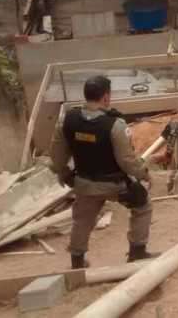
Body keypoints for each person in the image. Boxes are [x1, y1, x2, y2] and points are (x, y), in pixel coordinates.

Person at [50, 75, 155, 269]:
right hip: (114, 185)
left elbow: (57, 153)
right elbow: (127, 161)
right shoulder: (115, 125)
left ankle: (77, 261)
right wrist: (144, 174)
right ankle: (137, 252)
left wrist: (63, 173)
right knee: (142, 205)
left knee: (82, 220)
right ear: (106, 97)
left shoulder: (68, 120)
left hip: (84, 183)